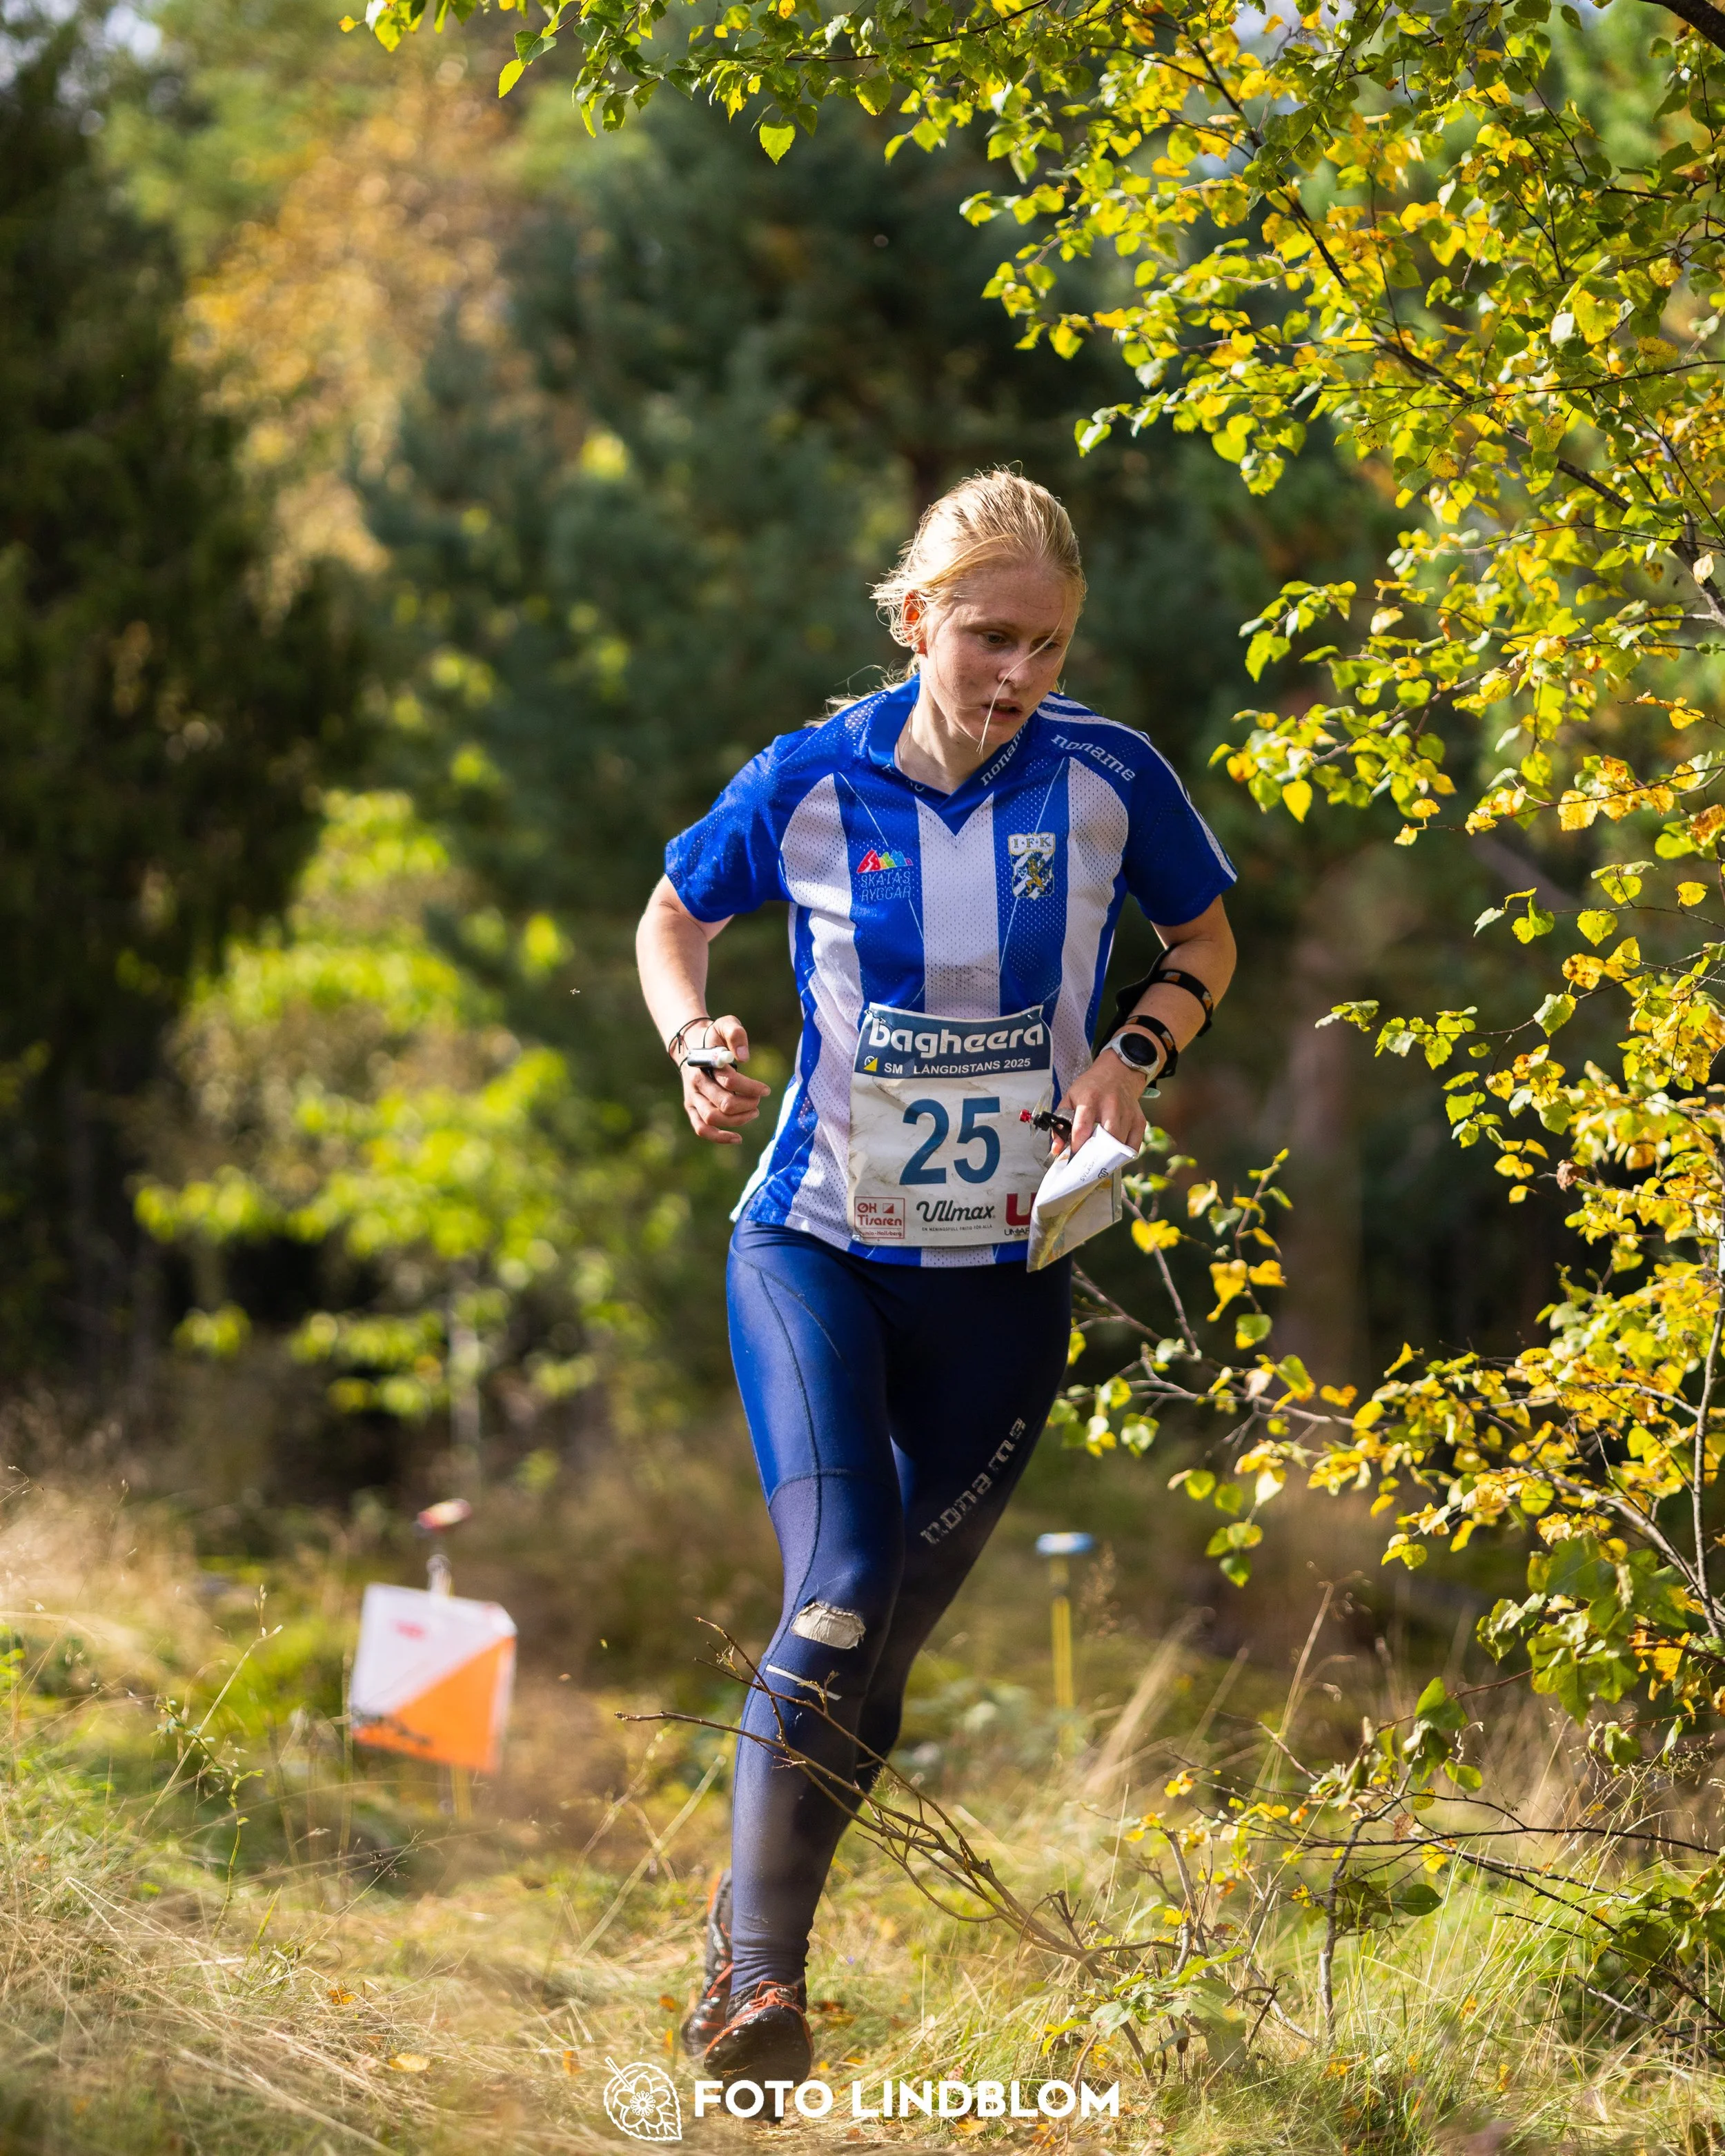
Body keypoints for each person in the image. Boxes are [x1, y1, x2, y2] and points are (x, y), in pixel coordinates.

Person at [634, 470, 1236, 2088]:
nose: (1017, 673)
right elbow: (674, 913)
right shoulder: (809, 779)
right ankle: (764, 1985)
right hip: (817, 1243)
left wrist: (1130, 1055)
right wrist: (694, 1034)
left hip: (1005, 1277)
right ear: (915, 620)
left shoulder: (1108, 777)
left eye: (1044, 644)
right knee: (832, 1582)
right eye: (987, 637)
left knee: (880, 1644)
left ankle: (739, 1950)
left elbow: (1205, 940)